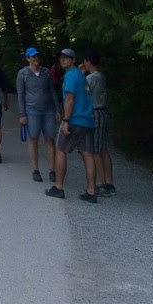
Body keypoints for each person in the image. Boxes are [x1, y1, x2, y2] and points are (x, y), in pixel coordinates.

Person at [45, 47, 97, 202]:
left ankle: (59, 188)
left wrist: (66, 120)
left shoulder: (71, 76)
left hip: (74, 120)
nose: (63, 59)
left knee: (61, 150)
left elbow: (70, 98)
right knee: (88, 155)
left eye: (67, 57)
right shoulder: (81, 76)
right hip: (87, 120)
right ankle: (91, 191)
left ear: (73, 60)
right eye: (61, 57)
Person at [16, 47, 61, 183]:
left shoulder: (46, 72)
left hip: (48, 110)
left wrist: (57, 109)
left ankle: (52, 170)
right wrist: (22, 114)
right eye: (33, 56)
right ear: (28, 58)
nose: (35, 59)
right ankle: (35, 170)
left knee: (50, 139)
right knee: (33, 139)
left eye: (37, 56)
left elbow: (52, 91)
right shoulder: (23, 74)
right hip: (31, 110)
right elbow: (20, 94)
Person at [83, 48, 115, 195]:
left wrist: (80, 73)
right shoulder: (101, 76)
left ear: (88, 61)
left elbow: (79, 90)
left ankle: (103, 184)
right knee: (103, 149)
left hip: (95, 113)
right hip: (103, 112)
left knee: (95, 150)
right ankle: (109, 182)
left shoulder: (91, 78)